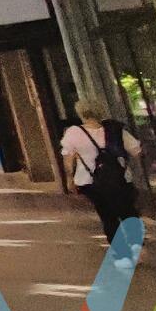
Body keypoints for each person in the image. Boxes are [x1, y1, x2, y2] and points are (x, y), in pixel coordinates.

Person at [60, 102, 143, 246]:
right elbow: (136, 150)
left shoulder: (74, 132)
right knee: (128, 212)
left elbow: (68, 159)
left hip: (90, 181)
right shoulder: (115, 129)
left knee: (107, 216)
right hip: (120, 178)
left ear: (81, 114)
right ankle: (137, 245)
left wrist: (69, 179)